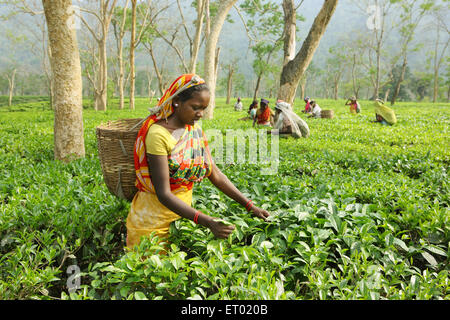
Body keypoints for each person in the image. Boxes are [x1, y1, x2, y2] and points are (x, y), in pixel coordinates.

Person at [127, 74, 270, 249]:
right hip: (152, 221)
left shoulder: (194, 131)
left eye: (204, 108)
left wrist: (250, 206)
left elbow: (214, 173)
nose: (200, 114)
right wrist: (207, 221)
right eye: (195, 107)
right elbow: (163, 193)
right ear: (177, 101)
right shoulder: (158, 134)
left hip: (181, 219)